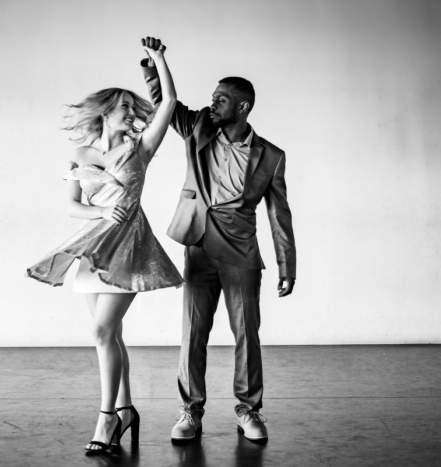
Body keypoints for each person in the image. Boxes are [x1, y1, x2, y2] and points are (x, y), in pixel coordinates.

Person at [26, 38, 181, 453]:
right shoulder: (81, 152)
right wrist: (99, 215)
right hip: (93, 248)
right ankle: (127, 410)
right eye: (123, 107)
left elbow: (168, 102)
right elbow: (73, 206)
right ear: (105, 113)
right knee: (110, 335)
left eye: (132, 107)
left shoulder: (140, 148)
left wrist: (161, 60)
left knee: (101, 331)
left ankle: (106, 420)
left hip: (131, 247)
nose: (131, 112)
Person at [140, 37, 297, 443]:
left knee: (247, 333)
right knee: (193, 332)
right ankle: (190, 412)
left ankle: (249, 411)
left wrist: (287, 265)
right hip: (198, 244)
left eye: (222, 100)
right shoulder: (198, 128)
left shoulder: (271, 155)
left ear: (243, 107)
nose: (213, 104)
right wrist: (155, 61)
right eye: (213, 97)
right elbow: (165, 103)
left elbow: (279, 213)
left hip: (241, 251)